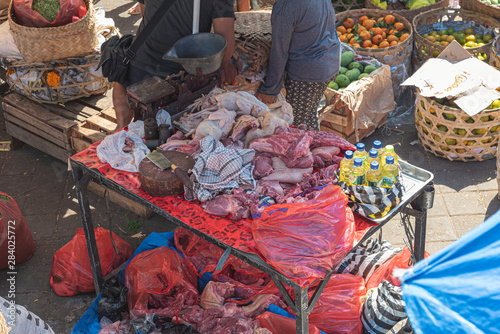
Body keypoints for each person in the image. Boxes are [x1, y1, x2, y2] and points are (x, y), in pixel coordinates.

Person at [113, 0, 237, 130]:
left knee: (122, 134)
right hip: (176, 78)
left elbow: (146, 13)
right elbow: (224, 40)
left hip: (137, 66)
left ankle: (118, 132)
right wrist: (225, 66)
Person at [256, 0, 340, 131]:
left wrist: (270, 89)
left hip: (308, 74)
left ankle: (307, 149)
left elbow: (279, 52)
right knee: (309, 114)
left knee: (294, 126)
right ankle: (314, 145)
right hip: (330, 62)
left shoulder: (285, 6)